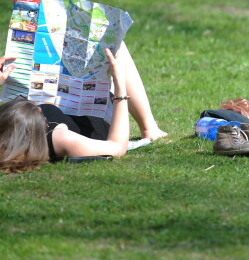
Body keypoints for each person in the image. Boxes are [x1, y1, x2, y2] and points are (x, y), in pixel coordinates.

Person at [0, 43, 167, 173]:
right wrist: (119, 83)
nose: (37, 106)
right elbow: (117, 147)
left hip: (65, 106)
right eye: (37, 110)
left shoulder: (8, 133)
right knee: (115, 47)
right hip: (95, 119)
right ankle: (149, 128)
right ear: (42, 124)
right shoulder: (61, 139)